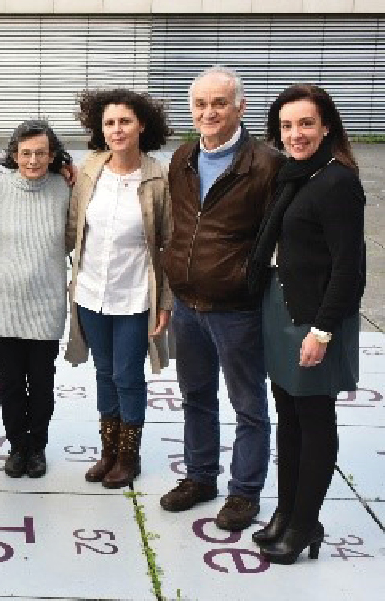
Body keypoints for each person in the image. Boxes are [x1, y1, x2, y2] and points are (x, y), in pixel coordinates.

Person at [159, 66, 284, 531]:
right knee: (196, 395)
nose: (208, 113)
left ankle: (245, 492)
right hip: (189, 302)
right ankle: (199, 477)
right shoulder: (183, 158)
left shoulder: (267, 163)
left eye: (219, 104)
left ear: (240, 108)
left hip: (237, 307)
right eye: (200, 104)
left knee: (248, 403)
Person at [247, 84, 365, 564]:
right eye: (287, 125)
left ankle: (303, 524)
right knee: (289, 420)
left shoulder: (337, 182)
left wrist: (321, 331)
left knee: (314, 422)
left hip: (316, 320)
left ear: (327, 126)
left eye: (306, 124)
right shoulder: (295, 176)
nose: (295, 134)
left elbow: (349, 269)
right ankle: (285, 513)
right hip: (282, 308)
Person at [65, 89, 173, 489]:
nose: (117, 129)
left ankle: (129, 457)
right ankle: (107, 451)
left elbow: (169, 242)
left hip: (134, 297)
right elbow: (74, 225)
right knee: (104, 373)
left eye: (125, 121)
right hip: (91, 292)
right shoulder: (90, 168)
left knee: (128, 375)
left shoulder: (157, 176)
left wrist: (165, 300)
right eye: (109, 123)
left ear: (142, 124)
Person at [0, 120, 71, 478]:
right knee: (10, 382)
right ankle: (17, 446)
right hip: (5, 299)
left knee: (41, 381)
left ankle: (38, 447)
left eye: (40, 153)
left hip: (47, 300)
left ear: (53, 156)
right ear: (14, 155)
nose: (33, 160)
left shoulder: (66, 188)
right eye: (25, 153)